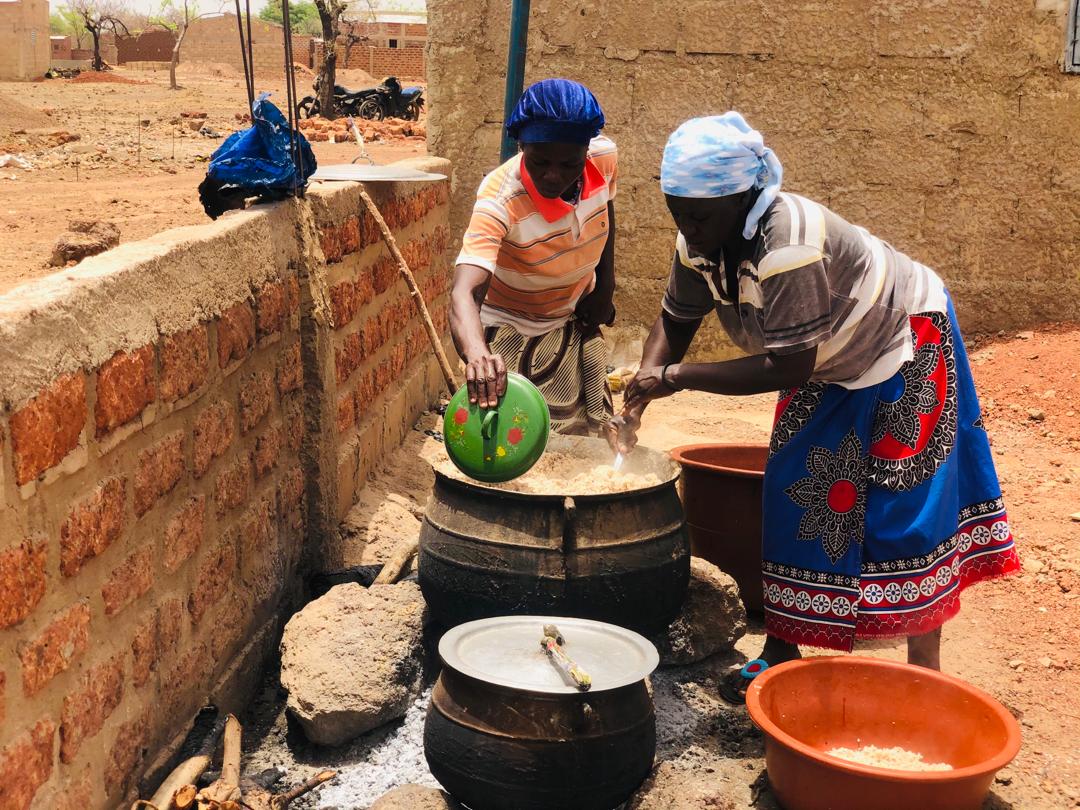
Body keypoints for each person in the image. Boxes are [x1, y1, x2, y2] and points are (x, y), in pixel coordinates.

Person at [611, 112, 1020, 700]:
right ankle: (782, 648)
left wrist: (675, 377)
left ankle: (922, 673)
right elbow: (675, 320)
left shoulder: (788, 245)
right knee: (799, 491)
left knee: (906, 504)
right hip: (830, 357)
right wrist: (645, 384)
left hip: (903, 339)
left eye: (699, 214)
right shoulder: (698, 244)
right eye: (678, 212)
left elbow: (788, 368)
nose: (688, 227)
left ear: (744, 197)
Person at [451, 78, 618, 438]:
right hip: (508, 329)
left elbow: (606, 208)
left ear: (586, 150)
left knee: (581, 445)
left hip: (569, 321)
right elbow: (465, 292)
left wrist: (605, 287)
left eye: (569, 163)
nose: (554, 175)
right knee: (511, 444)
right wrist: (478, 353)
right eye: (540, 162)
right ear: (521, 145)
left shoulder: (603, 159)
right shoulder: (500, 199)